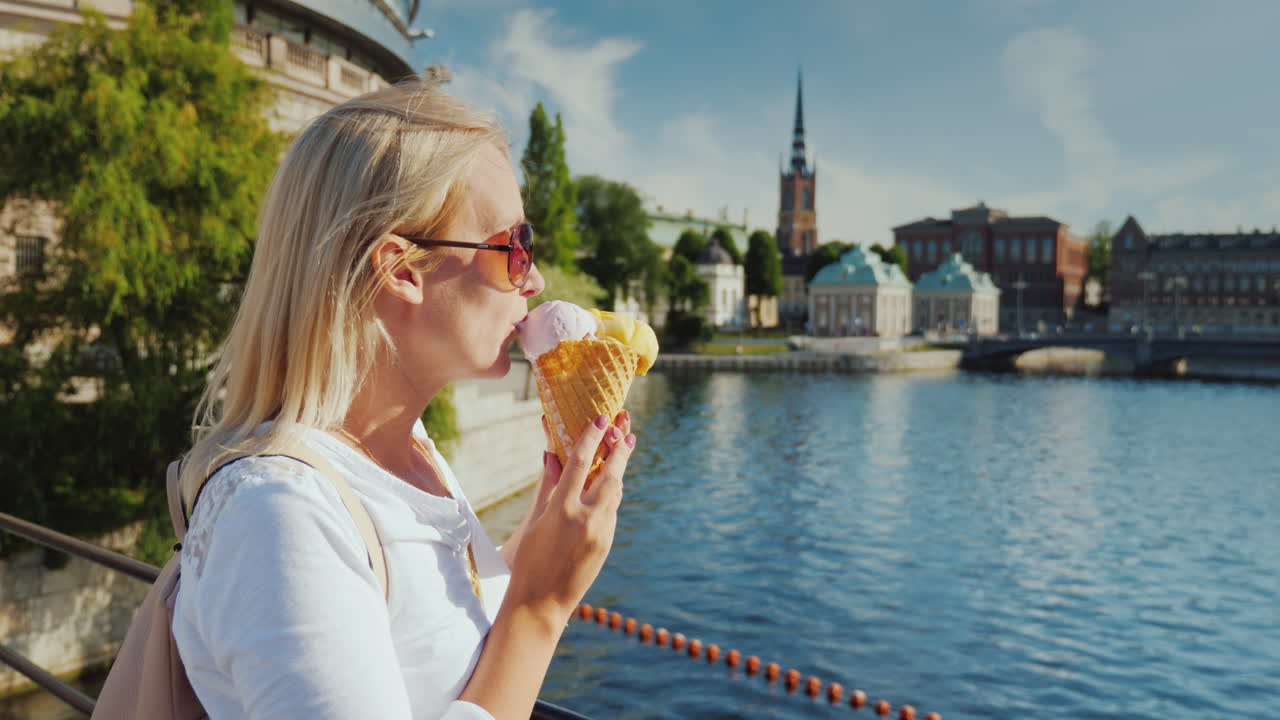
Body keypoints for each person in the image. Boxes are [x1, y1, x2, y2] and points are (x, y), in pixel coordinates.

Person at [170, 81, 636, 720]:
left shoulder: (410, 456)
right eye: (515, 246)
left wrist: (546, 523)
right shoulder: (278, 511)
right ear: (402, 269)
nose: (536, 278)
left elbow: (437, 633)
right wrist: (542, 608)